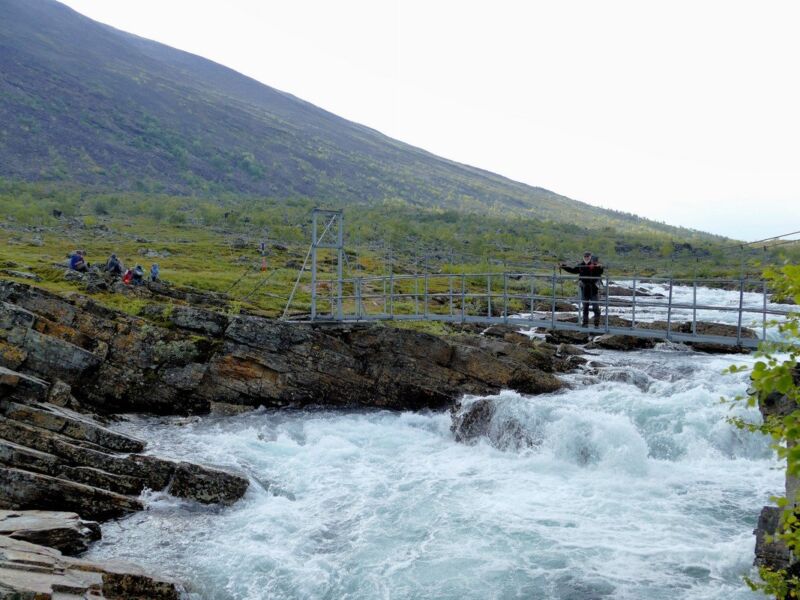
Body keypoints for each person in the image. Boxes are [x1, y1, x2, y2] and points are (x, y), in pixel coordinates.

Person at [560, 251, 604, 327]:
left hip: (593, 289)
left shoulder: (595, 265)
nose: (586, 258)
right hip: (584, 289)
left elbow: (600, 271)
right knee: (585, 307)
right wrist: (563, 266)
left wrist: (600, 267)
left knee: (595, 307)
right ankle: (585, 323)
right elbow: (573, 270)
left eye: (588, 257)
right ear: (583, 257)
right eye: (585, 257)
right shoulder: (580, 265)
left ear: (590, 257)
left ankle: (596, 324)